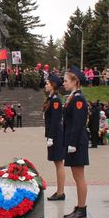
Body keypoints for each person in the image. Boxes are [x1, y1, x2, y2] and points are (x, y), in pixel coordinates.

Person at [62, 66, 89, 218]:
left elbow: (78, 123)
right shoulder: (73, 96)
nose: (63, 83)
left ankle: (82, 209)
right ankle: (79, 207)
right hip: (73, 142)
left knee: (79, 177)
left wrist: (72, 143)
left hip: (77, 143)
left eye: (66, 80)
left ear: (75, 82)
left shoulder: (78, 98)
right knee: (76, 176)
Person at [44, 73, 66, 201]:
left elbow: (56, 120)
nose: (45, 85)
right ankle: (59, 191)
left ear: (53, 85)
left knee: (59, 163)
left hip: (56, 135)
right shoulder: (51, 98)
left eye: (47, 83)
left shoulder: (56, 100)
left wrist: (51, 137)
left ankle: (60, 192)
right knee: (56, 162)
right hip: (53, 134)